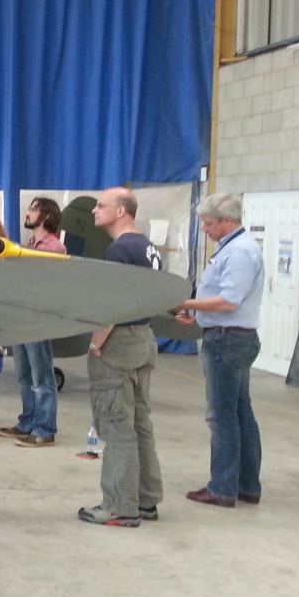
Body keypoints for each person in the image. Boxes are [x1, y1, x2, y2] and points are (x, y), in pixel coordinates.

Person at [171, 193, 265, 509]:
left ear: (226, 220)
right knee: (239, 411)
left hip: (227, 342)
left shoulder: (239, 252)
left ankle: (223, 488)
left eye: (209, 224)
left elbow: (228, 301)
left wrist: (184, 302)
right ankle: (246, 485)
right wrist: (196, 312)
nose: (205, 229)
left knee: (222, 416)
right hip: (232, 337)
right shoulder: (233, 248)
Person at [77, 187, 164, 527]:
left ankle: (119, 505)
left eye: (101, 205)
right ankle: (145, 499)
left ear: (121, 212)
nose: (94, 210)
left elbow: (112, 306)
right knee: (140, 422)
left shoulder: (119, 250)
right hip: (143, 338)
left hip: (119, 343)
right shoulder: (147, 247)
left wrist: (96, 344)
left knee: (116, 426)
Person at [0, 198, 68, 448]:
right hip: (23, 319)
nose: (27, 213)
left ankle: (45, 430)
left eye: (33, 209)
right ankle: (27, 421)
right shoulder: (31, 245)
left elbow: (44, 286)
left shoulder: (54, 247)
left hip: (38, 320)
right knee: (24, 376)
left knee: (42, 379)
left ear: (46, 217)